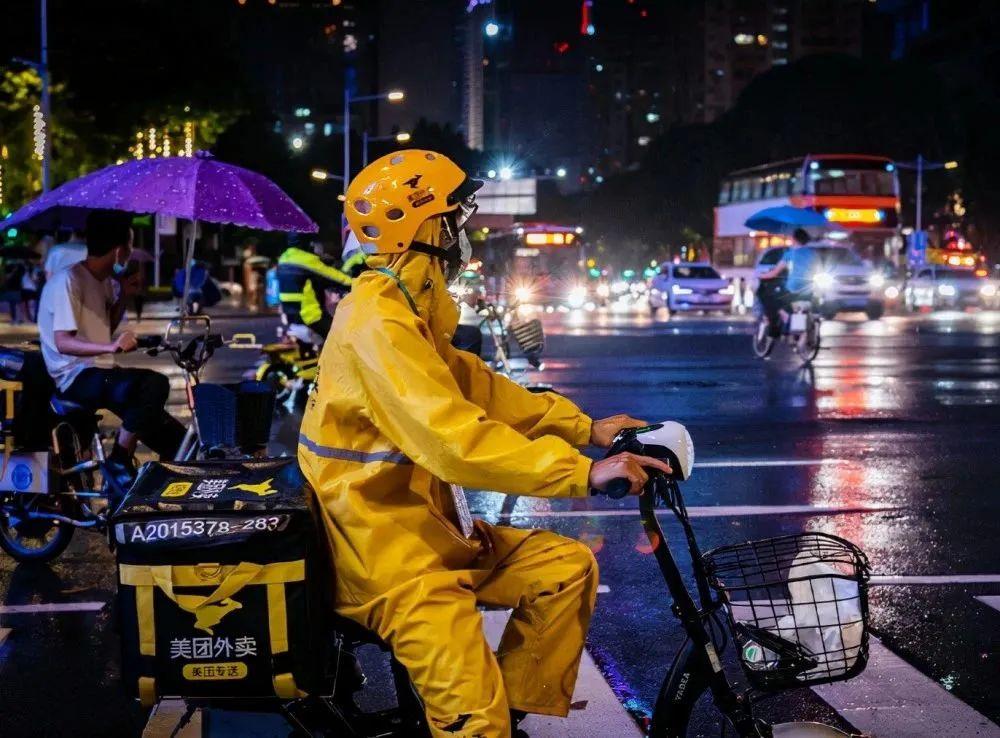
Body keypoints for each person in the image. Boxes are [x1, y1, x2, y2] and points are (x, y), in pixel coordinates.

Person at [298, 150, 670, 738]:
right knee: (475, 722)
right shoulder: (376, 323)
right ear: (423, 228)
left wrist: (584, 428)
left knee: (565, 568)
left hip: (428, 534)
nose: (463, 234)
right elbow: (455, 442)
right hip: (386, 560)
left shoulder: (405, 310)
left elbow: (479, 388)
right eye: (455, 220)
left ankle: (508, 716)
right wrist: (583, 472)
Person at [37, 209, 186, 488]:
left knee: (172, 437)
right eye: (129, 245)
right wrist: (112, 346)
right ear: (118, 251)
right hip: (75, 377)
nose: (131, 253)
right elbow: (63, 342)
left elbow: (105, 326)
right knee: (153, 384)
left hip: (99, 371)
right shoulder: (69, 281)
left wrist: (123, 295)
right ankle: (119, 460)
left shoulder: (103, 281)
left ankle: (146, 491)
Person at [276, 233, 352, 347]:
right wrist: (356, 283)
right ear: (307, 243)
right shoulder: (307, 260)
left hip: (289, 314)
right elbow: (338, 279)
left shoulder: (284, 258)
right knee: (344, 340)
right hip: (310, 316)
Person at [757, 227, 809, 337]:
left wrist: (761, 276)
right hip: (809, 291)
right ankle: (796, 327)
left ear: (794, 239)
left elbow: (774, 273)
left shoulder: (790, 254)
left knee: (767, 295)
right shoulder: (812, 253)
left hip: (792, 291)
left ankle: (782, 314)